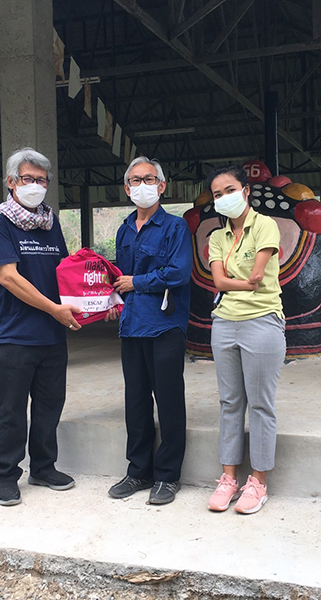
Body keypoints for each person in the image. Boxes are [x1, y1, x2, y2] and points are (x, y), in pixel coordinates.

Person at [0, 147, 82, 506]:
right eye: (27, 179)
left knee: (50, 405)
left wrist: (94, 300)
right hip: (16, 333)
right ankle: (6, 475)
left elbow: (65, 272)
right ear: (11, 182)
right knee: (12, 408)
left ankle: (44, 467)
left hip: (51, 333)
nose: (35, 185)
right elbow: (8, 279)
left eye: (41, 180)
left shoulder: (51, 221)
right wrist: (55, 310)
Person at [104, 156, 193, 505]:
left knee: (169, 401)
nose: (143, 185)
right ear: (127, 188)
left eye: (150, 179)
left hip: (165, 325)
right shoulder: (124, 229)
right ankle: (138, 470)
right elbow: (118, 277)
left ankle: (168, 476)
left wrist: (134, 283)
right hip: (132, 326)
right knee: (136, 402)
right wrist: (112, 298)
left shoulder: (175, 228)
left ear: (162, 185)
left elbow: (179, 273)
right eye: (136, 180)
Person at [204, 164, 286, 514]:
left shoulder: (265, 225)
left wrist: (234, 281)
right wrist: (240, 284)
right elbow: (221, 282)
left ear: (246, 191)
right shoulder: (217, 236)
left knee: (261, 404)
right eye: (218, 194)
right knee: (230, 403)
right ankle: (228, 478)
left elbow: (256, 277)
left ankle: (259, 482)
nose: (224, 198)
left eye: (230, 190)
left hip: (262, 321)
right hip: (224, 322)